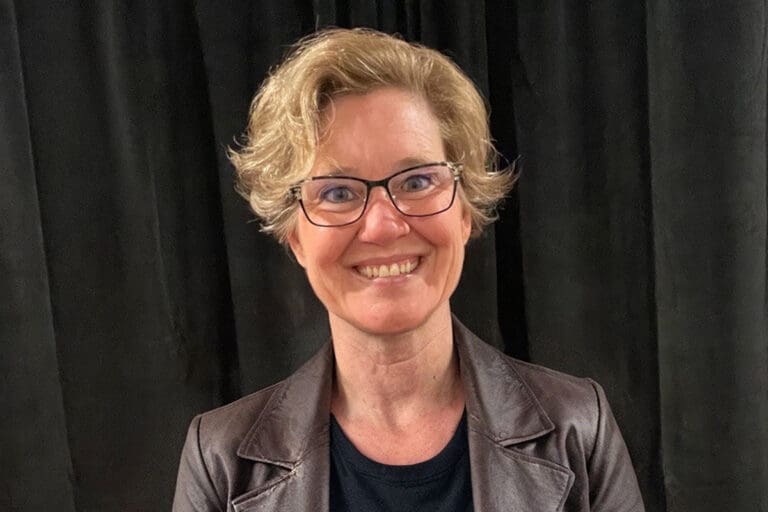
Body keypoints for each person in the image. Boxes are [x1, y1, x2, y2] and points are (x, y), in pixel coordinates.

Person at [172, 27, 644, 511]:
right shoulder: (221, 461)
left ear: (464, 212)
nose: (383, 225)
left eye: (418, 180)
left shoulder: (580, 429)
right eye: (337, 192)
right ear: (295, 237)